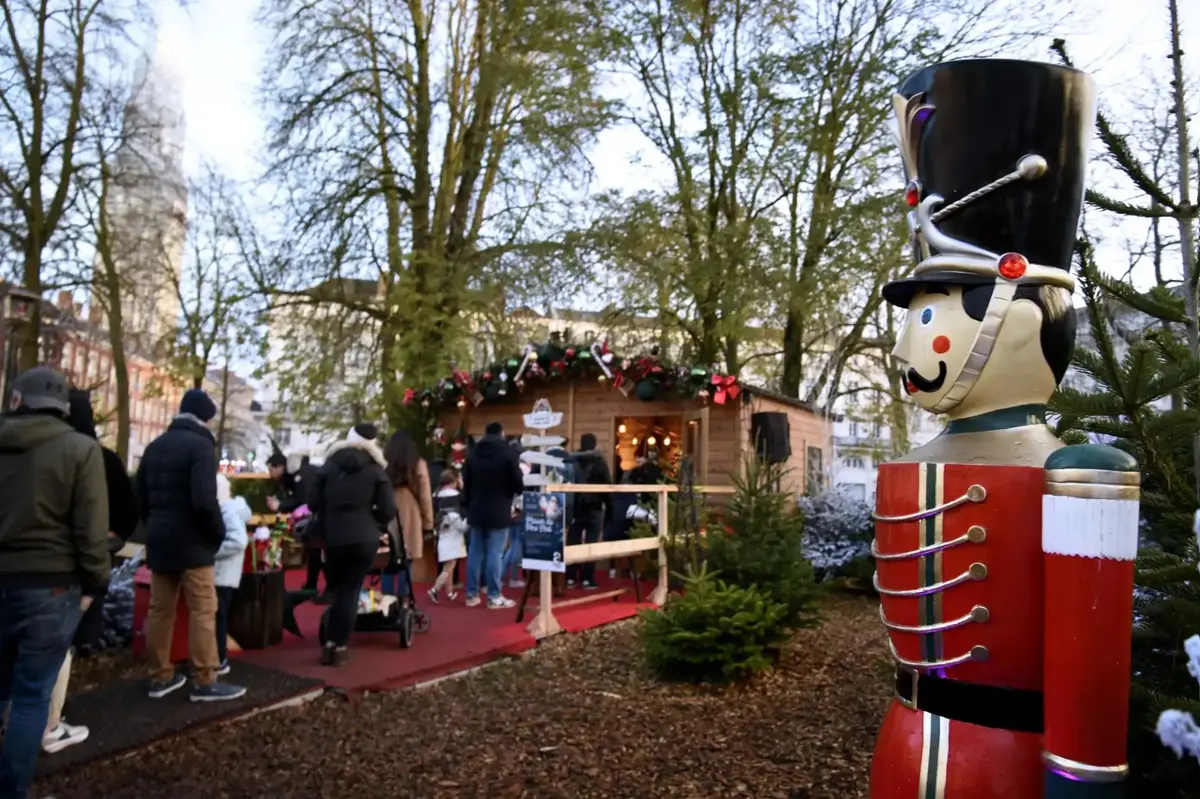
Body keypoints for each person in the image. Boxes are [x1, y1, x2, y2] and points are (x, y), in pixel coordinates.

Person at [0, 367, 109, 797]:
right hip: (51, 587)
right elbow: (91, 530)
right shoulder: (80, 450)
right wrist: (95, 584)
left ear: (16, 400)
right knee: (30, 697)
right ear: (62, 407)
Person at [42, 389, 139, 755]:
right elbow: (126, 512)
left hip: (32, 565)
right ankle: (50, 722)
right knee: (58, 644)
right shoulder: (100, 459)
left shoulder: (38, 455)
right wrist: (105, 548)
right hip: (77, 567)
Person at [137, 388, 245, 702]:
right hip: (192, 542)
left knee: (160, 610)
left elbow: (140, 493)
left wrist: (153, 526)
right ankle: (205, 679)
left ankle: (159, 676)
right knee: (203, 610)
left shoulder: (155, 446)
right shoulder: (200, 447)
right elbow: (204, 500)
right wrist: (215, 534)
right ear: (203, 418)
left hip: (159, 538)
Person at [307, 424, 395, 666]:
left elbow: (313, 502)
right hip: (364, 535)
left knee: (337, 588)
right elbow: (388, 508)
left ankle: (330, 644)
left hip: (334, 535)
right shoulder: (376, 469)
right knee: (351, 588)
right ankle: (339, 645)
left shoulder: (329, 466)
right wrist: (374, 521)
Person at [461, 422, 523, 609]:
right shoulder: (508, 455)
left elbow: (466, 484)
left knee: (474, 552)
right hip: (499, 510)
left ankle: (471, 594)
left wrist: (469, 505)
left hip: (476, 510)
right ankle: (493, 595)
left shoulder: (472, 456)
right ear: (502, 433)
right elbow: (518, 485)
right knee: (495, 553)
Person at [382, 431, 433, 599]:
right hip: (410, 508)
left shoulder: (383, 464)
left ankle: (386, 601)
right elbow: (425, 496)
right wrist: (428, 522)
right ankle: (403, 599)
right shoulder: (417, 463)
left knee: (387, 559)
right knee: (407, 557)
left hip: (387, 507)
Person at [213, 475, 250, 675]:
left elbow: (238, 541)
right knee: (218, 615)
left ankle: (219, 658)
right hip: (226, 574)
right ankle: (217, 656)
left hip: (222, 573)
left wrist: (211, 553)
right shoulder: (232, 510)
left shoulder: (226, 511)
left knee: (217, 616)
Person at [566, 433, 612, 590]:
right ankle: (587, 579)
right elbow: (607, 485)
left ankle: (570, 578)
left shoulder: (572, 460)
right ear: (594, 444)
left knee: (573, 542)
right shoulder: (600, 462)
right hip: (594, 507)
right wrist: (610, 508)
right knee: (591, 544)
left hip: (575, 508)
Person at [427, 470, 467, 603]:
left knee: (447, 565)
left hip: (441, 531)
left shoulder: (436, 496)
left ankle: (449, 592)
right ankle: (435, 589)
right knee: (450, 566)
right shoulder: (457, 496)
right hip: (454, 532)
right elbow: (465, 507)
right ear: (452, 482)